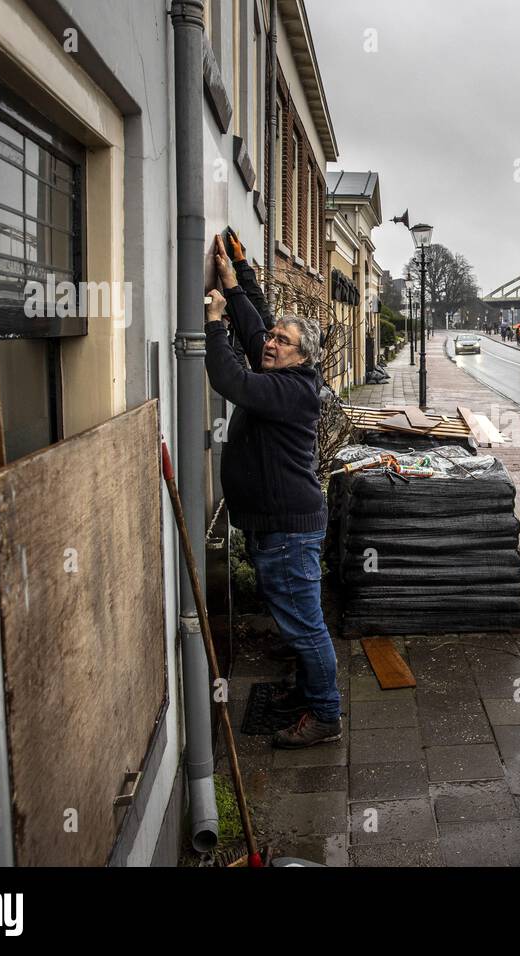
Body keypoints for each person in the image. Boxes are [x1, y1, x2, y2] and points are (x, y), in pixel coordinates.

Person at [204, 235, 342, 749]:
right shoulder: (286, 371)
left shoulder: (289, 391)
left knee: (306, 629)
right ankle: (311, 696)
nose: (270, 343)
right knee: (301, 625)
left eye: (283, 341)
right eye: (274, 338)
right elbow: (257, 326)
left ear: (301, 357)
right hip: (281, 527)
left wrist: (215, 321)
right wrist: (239, 277)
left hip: (287, 532)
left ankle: (326, 715)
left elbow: (229, 380)